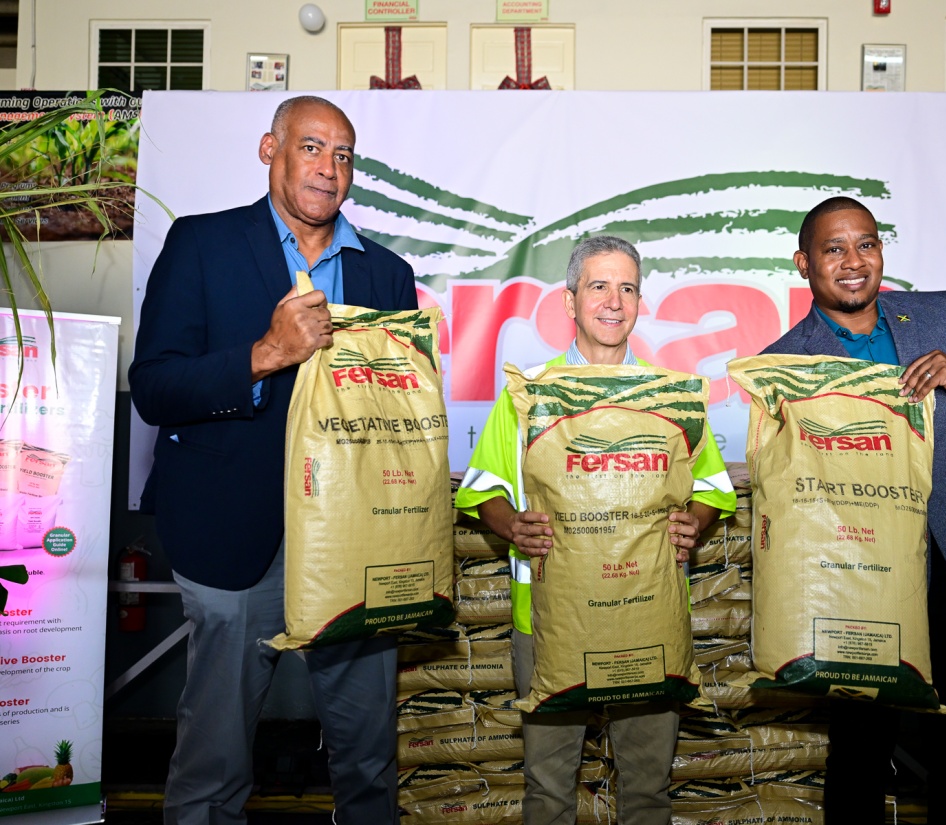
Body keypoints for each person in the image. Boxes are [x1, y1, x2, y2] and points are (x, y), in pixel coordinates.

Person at [129, 95, 417, 825]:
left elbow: (401, 417)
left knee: (368, 757)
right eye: (312, 147)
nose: (329, 167)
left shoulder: (387, 274)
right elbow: (156, 386)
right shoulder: (202, 245)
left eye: (344, 154)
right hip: (234, 536)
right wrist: (265, 355)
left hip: (355, 544)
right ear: (270, 150)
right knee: (215, 761)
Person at [761, 196, 946, 824]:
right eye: (833, 249)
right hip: (853, 584)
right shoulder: (783, 364)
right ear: (804, 263)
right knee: (860, 756)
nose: (853, 261)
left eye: (865, 243)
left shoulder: (945, 318)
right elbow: (783, 497)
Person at [454, 235, 736, 825]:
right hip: (551, 623)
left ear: (640, 301)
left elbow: (712, 488)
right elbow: (480, 491)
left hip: (648, 619)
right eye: (599, 285)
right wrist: (515, 526)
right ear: (570, 300)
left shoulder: (672, 396)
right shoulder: (530, 396)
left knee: (648, 790)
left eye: (627, 287)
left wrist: (696, 521)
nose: (614, 300)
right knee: (550, 789)